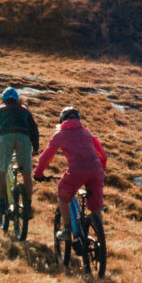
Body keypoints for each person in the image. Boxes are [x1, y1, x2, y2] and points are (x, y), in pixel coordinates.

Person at [34, 105, 108, 251]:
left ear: (62, 121)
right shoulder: (86, 133)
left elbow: (46, 156)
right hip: (96, 171)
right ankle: (100, 241)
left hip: (77, 171)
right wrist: (99, 171)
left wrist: (38, 173)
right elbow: (103, 155)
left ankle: (67, 230)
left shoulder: (60, 134)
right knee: (95, 207)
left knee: (63, 192)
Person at [0, 88, 40, 225]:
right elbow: (34, 128)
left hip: (6, 138)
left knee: (3, 171)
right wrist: (35, 147)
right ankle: (28, 207)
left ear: (3, 99)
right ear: (17, 99)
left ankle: (2, 203)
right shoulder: (24, 109)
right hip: (23, 139)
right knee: (27, 174)